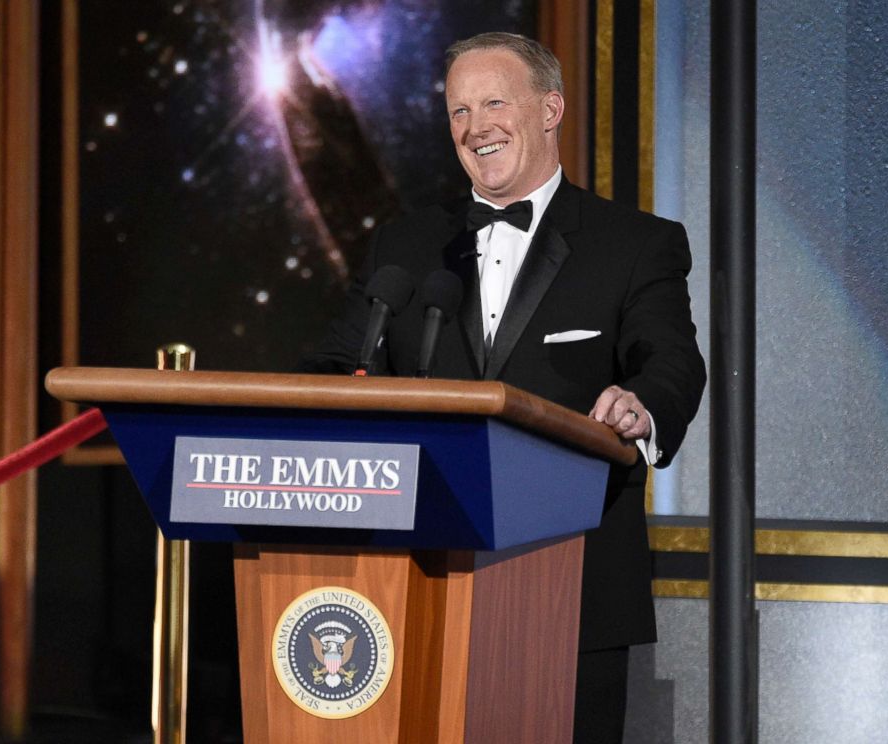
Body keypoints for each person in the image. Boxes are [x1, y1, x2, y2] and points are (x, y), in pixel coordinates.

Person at [299, 31, 706, 743]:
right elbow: (339, 362)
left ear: (550, 109)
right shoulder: (404, 247)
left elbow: (670, 362)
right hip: (410, 583)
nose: (474, 127)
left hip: (571, 588)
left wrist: (642, 404)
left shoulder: (636, 243)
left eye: (493, 102)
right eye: (458, 111)